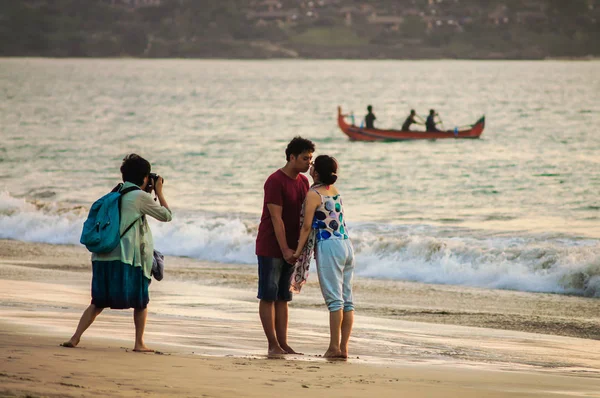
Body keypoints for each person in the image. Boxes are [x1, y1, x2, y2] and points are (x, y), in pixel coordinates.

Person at [62, 154, 172, 351]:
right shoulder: (140, 197)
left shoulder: (115, 193)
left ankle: (75, 337)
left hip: (103, 256)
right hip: (128, 259)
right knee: (141, 301)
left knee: (98, 302)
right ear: (145, 177)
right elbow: (166, 215)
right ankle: (139, 343)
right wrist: (159, 192)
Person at [255, 136, 315, 356]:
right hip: (272, 245)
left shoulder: (303, 182)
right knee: (268, 296)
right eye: (305, 158)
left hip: (292, 247)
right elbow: (276, 218)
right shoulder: (275, 181)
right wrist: (285, 250)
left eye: (311, 158)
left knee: (283, 298)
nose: (309, 162)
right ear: (292, 157)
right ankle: (272, 345)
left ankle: (283, 344)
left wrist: (299, 249)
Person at [294, 155, 354, 359]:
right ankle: (343, 349)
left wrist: (297, 251)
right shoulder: (335, 191)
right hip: (346, 244)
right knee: (347, 301)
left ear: (317, 173)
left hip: (329, 245)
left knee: (335, 301)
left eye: (312, 166)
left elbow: (306, 226)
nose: (309, 168)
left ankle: (333, 348)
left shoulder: (314, 194)